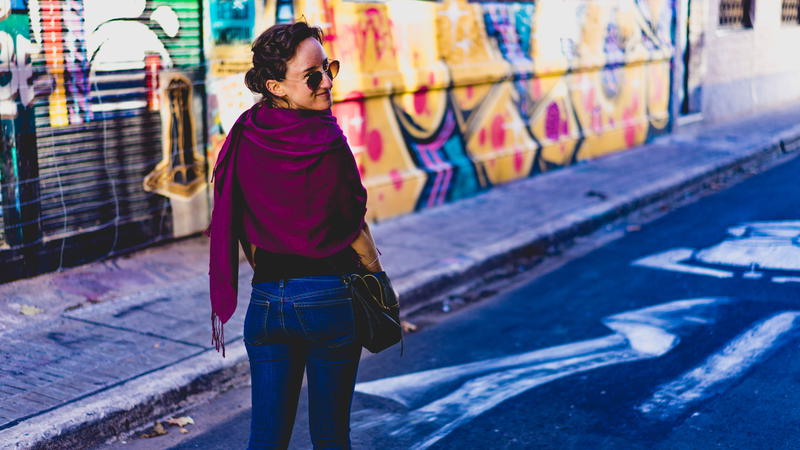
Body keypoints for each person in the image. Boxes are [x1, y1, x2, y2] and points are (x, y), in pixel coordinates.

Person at [206, 20, 383, 449]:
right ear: (276, 86)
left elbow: (240, 226)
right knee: (329, 437)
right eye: (312, 76)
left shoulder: (245, 135)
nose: (326, 82)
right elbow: (351, 225)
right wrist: (377, 277)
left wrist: (276, 274)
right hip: (330, 302)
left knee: (265, 440)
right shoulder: (325, 136)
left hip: (267, 305)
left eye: (328, 68)